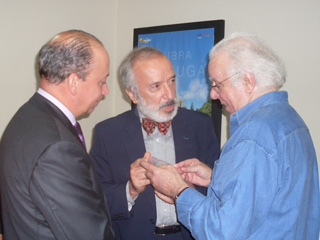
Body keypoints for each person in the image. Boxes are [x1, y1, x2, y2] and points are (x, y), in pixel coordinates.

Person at [140, 32, 320, 239]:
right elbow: (271, 197)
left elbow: (221, 232)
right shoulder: (291, 121)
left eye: (217, 84)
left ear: (247, 81)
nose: (213, 95)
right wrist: (215, 179)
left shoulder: (253, 137)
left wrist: (178, 190)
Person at [90, 46, 220, 239]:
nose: (169, 95)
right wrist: (130, 190)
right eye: (156, 86)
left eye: (172, 81)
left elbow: (222, 193)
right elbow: (93, 201)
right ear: (132, 94)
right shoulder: (107, 133)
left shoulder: (200, 125)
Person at [0, 30, 115, 239]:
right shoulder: (57, 147)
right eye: (101, 81)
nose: (105, 91)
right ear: (73, 82)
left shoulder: (26, 116)